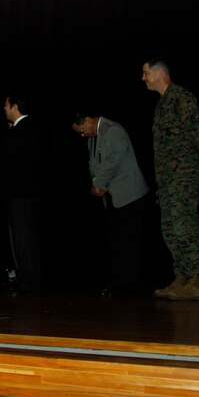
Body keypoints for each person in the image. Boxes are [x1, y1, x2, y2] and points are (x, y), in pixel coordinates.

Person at [142, 56, 199, 301]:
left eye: (146, 73)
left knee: (185, 225)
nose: (143, 78)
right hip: (167, 178)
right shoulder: (162, 104)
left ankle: (196, 279)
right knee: (170, 228)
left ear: (160, 73)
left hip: (184, 175)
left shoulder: (181, 97)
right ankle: (182, 277)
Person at [0, 94, 45, 295]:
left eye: (5, 105)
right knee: (26, 239)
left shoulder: (24, 127)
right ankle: (29, 281)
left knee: (23, 240)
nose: (3, 109)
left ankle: (29, 284)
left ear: (14, 107)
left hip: (21, 195)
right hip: (25, 194)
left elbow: (2, 153)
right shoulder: (27, 128)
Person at [71, 112, 149, 294]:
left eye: (81, 130)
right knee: (117, 242)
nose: (82, 135)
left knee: (129, 242)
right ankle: (119, 282)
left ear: (88, 120)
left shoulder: (113, 131)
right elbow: (94, 165)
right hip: (112, 197)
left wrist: (98, 184)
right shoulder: (93, 137)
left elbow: (113, 162)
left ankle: (128, 286)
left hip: (129, 196)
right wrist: (96, 184)